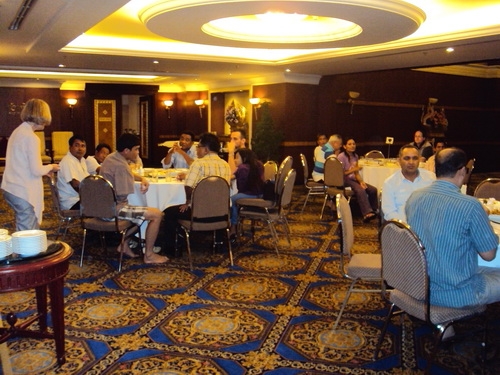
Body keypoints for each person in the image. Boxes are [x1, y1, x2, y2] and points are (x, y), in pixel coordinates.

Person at [406, 147, 500, 308]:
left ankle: (443, 322)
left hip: (419, 286)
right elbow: (489, 255)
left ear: (436, 169)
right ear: (462, 170)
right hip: (457, 293)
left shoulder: (414, 198)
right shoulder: (470, 205)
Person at [100, 133, 168, 264]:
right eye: (136, 149)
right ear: (126, 150)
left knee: (141, 212)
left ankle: (124, 244)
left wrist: (141, 178)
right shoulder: (121, 165)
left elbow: (128, 174)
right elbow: (122, 194)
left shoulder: (112, 157)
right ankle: (149, 255)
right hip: (114, 209)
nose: (138, 152)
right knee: (157, 214)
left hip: (102, 206)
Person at [162, 132, 231, 256]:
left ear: (205, 149)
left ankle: (171, 250)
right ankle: (219, 243)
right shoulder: (225, 165)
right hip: (221, 212)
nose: (197, 149)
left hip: (199, 213)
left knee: (168, 211)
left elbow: (188, 186)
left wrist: (188, 202)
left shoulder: (198, 164)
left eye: (198, 147)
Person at [1, 98, 60, 230]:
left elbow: (26, 164)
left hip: (11, 186)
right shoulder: (31, 137)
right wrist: (52, 167)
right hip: (22, 189)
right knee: (27, 233)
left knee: (24, 228)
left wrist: (45, 169)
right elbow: (36, 170)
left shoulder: (17, 132)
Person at [382, 144, 435, 222]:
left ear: (419, 160)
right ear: (399, 160)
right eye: (407, 158)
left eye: (415, 158)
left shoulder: (431, 178)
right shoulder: (390, 183)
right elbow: (389, 213)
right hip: (402, 229)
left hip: (429, 226)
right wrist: (408, 226)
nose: (411, 162)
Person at [337, 137, 378, 222]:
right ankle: (367, 213)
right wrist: (354, 169)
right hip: (344, 180)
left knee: (372, 190)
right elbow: (341, 173)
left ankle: (373, 210)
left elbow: (356, 173)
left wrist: (361, 181)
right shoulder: (341, 156)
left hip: (353, 179)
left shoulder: (355, 156)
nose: (352, 146)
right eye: (349, 144)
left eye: (354, 144)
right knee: (360, 190)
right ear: (344, 146)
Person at [227, 147, 265, 239]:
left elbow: (241, 188)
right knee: (235, 199)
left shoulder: (242, 168)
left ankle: (233, 226)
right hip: (262, 194)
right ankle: (236, 224)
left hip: (251, 194)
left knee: (232, 200)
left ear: (244, 158)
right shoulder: (259, 164)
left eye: (237, 157)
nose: (235, 160)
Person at [57, 135, 89, 210]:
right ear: (70, 147)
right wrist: (90, 195)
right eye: (76, 145)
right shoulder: (67, 161)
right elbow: (75, 184)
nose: (80, 149)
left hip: (79, 199)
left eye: (83, 146)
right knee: (101, 202)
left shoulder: (82, 160)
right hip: (71, 202)